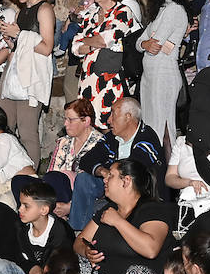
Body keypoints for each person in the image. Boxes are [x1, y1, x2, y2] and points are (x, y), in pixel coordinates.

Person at [68, 97, 162, 232]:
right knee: (84, 179)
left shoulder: (147, 138)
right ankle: (77, 231)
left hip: (139, 193)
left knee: (125, 180)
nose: (108, 120)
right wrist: (103, 171)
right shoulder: (113, 137)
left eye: (113, 114)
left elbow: (132, 171)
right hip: (113, 185)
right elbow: (86, 160)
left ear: (128, 117)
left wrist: (111, 174)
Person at [0, 0, 56, 164]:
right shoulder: (22, 12)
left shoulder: (45, 9)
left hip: (31, 76)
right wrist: (11, 40)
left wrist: (20, 35)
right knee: (2, 125)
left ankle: (29, 179)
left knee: (27, 131)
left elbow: (47, 47)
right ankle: (7, 168)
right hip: (13, 71)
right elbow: (21, 44)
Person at [73, 0, 137, 130]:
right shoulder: (90, 15)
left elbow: (104, 40)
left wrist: (86, 42)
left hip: (109, 81)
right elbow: (75, 47)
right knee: (88, 125)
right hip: (87, 80)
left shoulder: (122, 12)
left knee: (111, 126)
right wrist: (91, 42)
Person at [137, 0, 188, 146]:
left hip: (164, 74)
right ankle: (155, 167)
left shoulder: (175, 10)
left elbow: (157, 43)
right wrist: (145, 43)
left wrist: (148, 43)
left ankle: (167, 171)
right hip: (150, 75)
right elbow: (140, 42)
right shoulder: (160, 11)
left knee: (163, 126)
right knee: (151, 126)